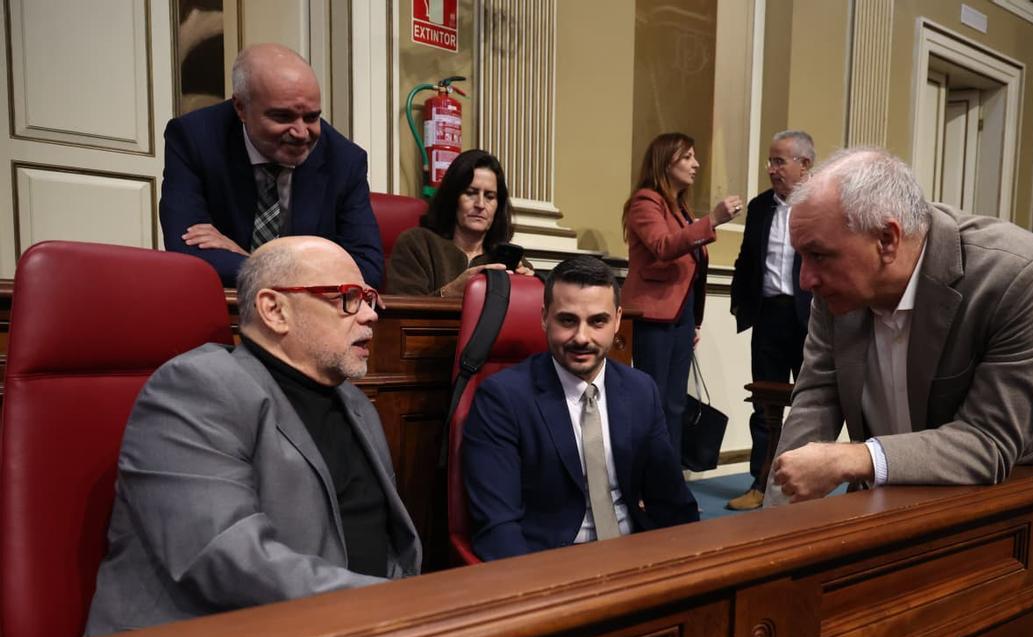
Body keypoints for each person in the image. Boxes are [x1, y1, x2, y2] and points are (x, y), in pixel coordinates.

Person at [85, 236, 422, 637]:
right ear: (274, 310)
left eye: (368, 297)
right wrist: (392, 603)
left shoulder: (356, 403)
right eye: (348, 297)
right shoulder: (196, 388)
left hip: (355, 634)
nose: (370, 315)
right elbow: (227, 557)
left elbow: (388, 544)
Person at [764, 147, 1033, 515]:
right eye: (801, 257)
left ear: (887, 240)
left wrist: (857, 457)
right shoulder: (837, 288)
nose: (805, 280)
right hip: (891, 484)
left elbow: (988, 442)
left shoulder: (1022, 275)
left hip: (1020, 487)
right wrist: (773, 525)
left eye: (818, 255)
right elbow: (816, 399)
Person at [461, 255, 699, 561]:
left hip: (633, 554)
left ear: (617, 320)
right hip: (550, 563)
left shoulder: (641, 390)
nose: (582, 338)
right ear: (544, 318)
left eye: (597, 321)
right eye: (567, 320)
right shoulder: (502, 398)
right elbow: (497, 528)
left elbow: (673, 503)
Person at [159, 43, 383, 289]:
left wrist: (255, 261)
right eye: (283, 117)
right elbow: (189, 252)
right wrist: (306, 273)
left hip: (306, 310)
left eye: (311, 117)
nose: (301, 133)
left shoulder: (344, 160)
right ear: (241, 108)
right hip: (224, 303)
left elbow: (367, 271)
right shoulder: (194, 138)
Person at [622, 132, 742, 462]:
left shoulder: (680, 208)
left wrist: (693, 321)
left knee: (675, 403)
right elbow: (664, 246)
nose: (696, 164)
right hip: (654, 316)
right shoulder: (646, 202)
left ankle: (670, 478)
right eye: (687, 157)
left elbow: (693, 263)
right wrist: (712, 220)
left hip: (680, 315)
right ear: (666, 162)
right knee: (654, 401)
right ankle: (648, 477)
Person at [726, 130, 816, 511]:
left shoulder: (823, 205)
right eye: (770, 161)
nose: (771, 169)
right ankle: (761, 484)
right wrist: (739, 302)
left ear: (804, 165)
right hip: (769, 317)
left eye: (779, 161)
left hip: (811, 318)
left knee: (813, 403)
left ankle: (807, 484)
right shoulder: (760, 207)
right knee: (765, 405)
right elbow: (747, 259)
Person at [386, 149, 534, 296]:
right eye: (470, 193)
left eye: (489, 197)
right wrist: (451, 292)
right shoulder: (417, 244)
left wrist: (530, 290)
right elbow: (405, 308)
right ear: (453, 197)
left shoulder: (510, 261)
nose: (480, 204)